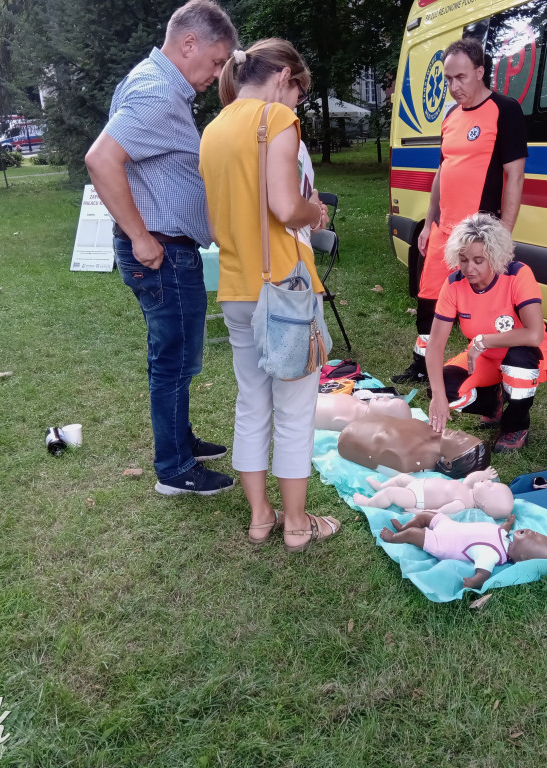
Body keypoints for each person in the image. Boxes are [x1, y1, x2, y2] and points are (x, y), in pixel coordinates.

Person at [85, 0, 237, 497]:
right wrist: (139, 236)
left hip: (171, 250)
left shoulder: (158, 85)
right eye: (216, 61)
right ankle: (174, 470)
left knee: (178, 358)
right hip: (161, 253)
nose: (217, 74)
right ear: (189, 42)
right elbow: (102, 159)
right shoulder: (156, 92)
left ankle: (181, 440)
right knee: (172, 360)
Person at [199, 39, 339, 552]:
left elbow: (213, 224)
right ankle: (298, 524)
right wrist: (314, 210)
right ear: (284, 75)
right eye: (299, 92)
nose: (297, 104)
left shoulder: (212, 130)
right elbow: (285, 207)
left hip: (235, 287)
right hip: (285, 289)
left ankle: (261, 518)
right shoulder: (275, 121)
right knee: (296, 409)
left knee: (251, 403)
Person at [393, 38, 528, 386]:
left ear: (481, 72)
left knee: (484, 305)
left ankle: (487, 373)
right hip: (443, 230)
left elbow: (514, 175)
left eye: (461, 78)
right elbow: (443, 170)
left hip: (479, 233)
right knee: (428, 300)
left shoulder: (505, 109)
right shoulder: (451, 115)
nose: (454, 87)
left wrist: (504, 233)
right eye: (448, 79)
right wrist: (429, 222)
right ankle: (422, 365)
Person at [426, 212, 547, 451]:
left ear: (495, 257)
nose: (469, 268)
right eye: (463, 259)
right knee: (444, 390)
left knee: (519, 365)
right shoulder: (454, 284)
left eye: (478, 260)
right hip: (484, 358)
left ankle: (515, 425)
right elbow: (435, 344)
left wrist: (482, 342)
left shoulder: (518, 274)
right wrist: (437, 396)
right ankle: (492, 403)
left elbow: (533, 335)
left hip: (525, 354)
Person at [379, 512, 547, 590]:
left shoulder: (492, 553)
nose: (533, 532)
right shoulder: (505, 537)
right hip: (450, 526)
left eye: (533, 539)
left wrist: (474, 582)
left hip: (444, 542)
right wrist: (508, 523)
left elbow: (484, 573)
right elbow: (502, 528)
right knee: (426, 516)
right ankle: (402, 529)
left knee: (415, 534)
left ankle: (394, 538)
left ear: (524, 558)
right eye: (536, 533)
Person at [337, 414, 490, 479]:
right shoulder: (433, 430)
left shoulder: (407, 459)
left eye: (462, 440)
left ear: (448, 463)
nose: (460, 432)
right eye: (466, 434)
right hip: (361, 421)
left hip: (349, 435)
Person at [353, 468, 514, 519]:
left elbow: (439, 513)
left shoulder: (461, 504)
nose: (489, 482)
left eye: (491, 487)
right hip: (417, 484)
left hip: (417, 498)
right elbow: (472, 478)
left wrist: (420, 512)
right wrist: (483, 474)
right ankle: (380, 486)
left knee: (391, 493)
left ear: (483, 503)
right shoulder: (468, 489)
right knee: (401, 478)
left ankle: (369, 503)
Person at [314, 392, 411, 431]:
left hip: (305, 408)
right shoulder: (363, 405)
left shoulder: (352, 420)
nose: (385, 397)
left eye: (388, 403)